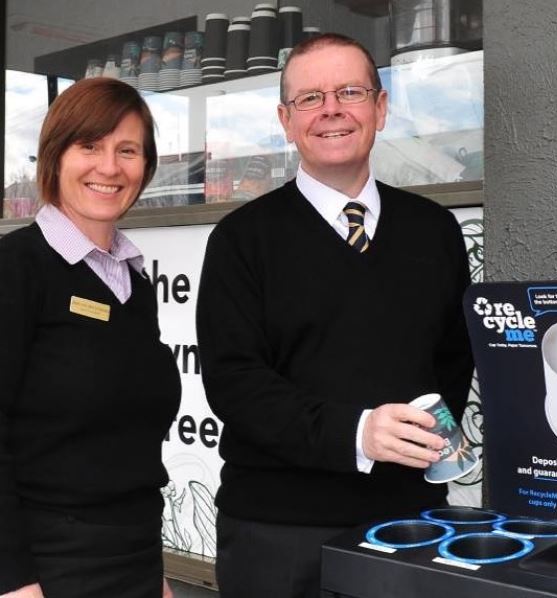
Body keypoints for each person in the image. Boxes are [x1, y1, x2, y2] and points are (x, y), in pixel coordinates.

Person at [196, 33, 473, 598]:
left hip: (409, 522)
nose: (331, 110)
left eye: (350, 91)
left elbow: (451, 361)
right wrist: (357, 432)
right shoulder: (242, 239)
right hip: (277, 532)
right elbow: (235, 384)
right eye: (310, 98)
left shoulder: (434, 230)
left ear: (381, 107)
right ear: (285, 119)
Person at [0, 78, 181, 598]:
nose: (109, 167)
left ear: (145, 167)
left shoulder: (132, 282)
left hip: (135, 560)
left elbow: (124, 448)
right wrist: (13, 580)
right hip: (45, 569)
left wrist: (156, 575)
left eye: (128, 150)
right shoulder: (18, 270)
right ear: (55, 157)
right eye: (90, 146)